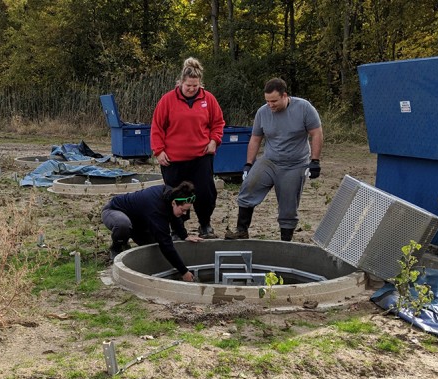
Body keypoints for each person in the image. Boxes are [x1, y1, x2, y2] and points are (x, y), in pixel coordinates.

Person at [225, 77, 323, 241]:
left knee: (288, 205)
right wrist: (249, 164)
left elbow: (316, 133)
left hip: (295, 164)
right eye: (267, 101)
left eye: (274, 101)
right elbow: (256, 139)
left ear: (285, 96)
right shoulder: (262, 112)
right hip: (270, 160)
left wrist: (315, 161)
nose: (270, 105)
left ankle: (285, 240)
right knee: (248, 188)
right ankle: (241, 230)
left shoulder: (304, 108)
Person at [150, 57, 225, 239]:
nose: (191, 89)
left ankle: (205, 224)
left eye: (195, 86)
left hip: (201, 156)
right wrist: (159, 151)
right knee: (176, 195)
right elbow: (157, 127)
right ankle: (177, 228)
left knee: (206, 192)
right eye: (188, 86)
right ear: (181, 83)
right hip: (174, 159)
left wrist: (214, 140)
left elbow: (218, 123)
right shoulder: (167, 100)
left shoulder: (209, 99)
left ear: (200, 84)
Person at [101, 181, 203, 282]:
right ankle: (117, 248)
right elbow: (165, 243)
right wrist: (184, 271)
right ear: (174, 203)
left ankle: (127, 239)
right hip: (114, 211)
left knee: (153, 247)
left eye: (187, 210)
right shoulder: (156, 208)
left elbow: (175, 216)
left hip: (139, 222)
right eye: (183, 210)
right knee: (123, 225)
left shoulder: (171, 195)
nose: (185, 213)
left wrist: (184, 236)